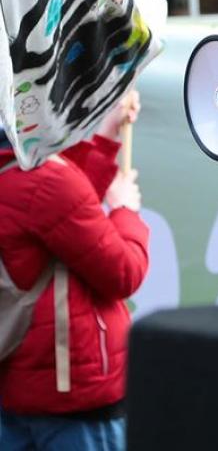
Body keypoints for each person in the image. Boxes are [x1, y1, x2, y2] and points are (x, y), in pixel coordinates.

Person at [0, 91, 148, 451]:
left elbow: (64, 213)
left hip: (20, 386)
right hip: (73, 400)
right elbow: (125, 273)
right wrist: (125, 210)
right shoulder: (47, 182)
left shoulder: (19, 170)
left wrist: (109, 132)